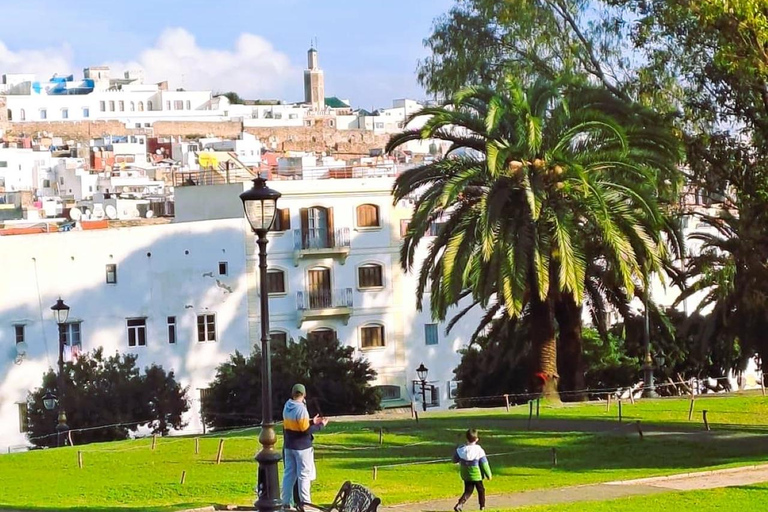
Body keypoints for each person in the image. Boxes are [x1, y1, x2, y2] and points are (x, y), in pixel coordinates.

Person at [282, 383, 328, 510]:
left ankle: (285, 503)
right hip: (302, 447)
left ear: (293, 394)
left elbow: (297, 425)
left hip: (289, 445)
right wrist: (320, 425)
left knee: (289, 474)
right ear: (304, 394)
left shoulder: (287, 406)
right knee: (304, 475)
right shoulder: (301, 408)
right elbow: (305, 430)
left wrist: (312, 421)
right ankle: (306, 504)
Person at [453, 428, 492, 512]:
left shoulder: (460, 450)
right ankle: (482, 506)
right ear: (477, 439)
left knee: (468, 491)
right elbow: (484, 464)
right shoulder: (479, 450)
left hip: (466, 475)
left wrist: (457, 451)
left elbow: (454, 460)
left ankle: (459, 504)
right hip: (477, 475)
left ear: (466, 439)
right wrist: (488, 475)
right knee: (481, 490)